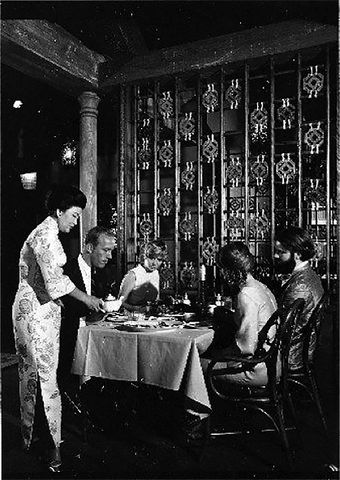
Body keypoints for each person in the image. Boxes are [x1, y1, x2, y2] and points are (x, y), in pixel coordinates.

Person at [12, 185, 104, 472]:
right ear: (59, 211)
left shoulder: (47, 233)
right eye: (74, 215)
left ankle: (36, 439)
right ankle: (52, 448)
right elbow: (55, 281)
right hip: (34, 314)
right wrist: (86, 298)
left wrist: (57, 300)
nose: (76, 221)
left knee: (37, 376)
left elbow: (47, 281)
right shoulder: (46, 236)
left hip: (40, 309)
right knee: (43, 379)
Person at [202, 242, 278, 387]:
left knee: (193, 364)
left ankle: (203, 409)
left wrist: (216, 354)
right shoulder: (261, 287)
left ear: (228, 271)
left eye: (222, 269)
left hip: (254, 370)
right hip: (273, 364)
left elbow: (246, 348)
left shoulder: (245, 295)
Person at [57, 226, 117, 394]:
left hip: (94, 337)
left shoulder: (103, 273)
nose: (109, 257)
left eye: (111, 251)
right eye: (105, 250)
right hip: (67, 339)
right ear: (90, 248)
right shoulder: (65, 271)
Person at [274, 226, 324, 371]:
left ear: (297, 254)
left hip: (291, 355)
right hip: (299, 350)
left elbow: (283, 327)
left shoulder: (300, 286)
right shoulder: (309, 275)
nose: (276, 256)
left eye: (281, 252)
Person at [118, 239, 167, 314]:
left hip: (150, 318)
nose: (155, 263)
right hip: (131, 318)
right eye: (152, 258)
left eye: (159, 260)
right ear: (144, 256)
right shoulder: (133, 275)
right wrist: (136, 309)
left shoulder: (155, 273)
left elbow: (155, 301)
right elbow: (120, 303)